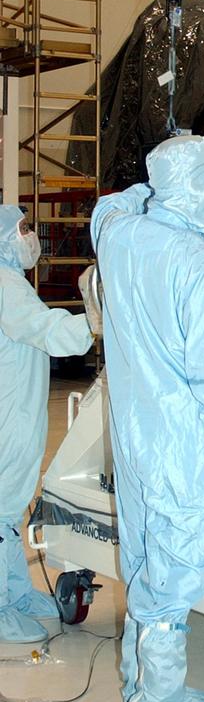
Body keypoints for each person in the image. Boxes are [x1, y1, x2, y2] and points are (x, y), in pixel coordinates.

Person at [91, 135, 204, 702]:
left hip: (134, 437)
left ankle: (140, 683)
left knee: (143, 557)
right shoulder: (201, 267)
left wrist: (155, 187)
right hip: (182, 442)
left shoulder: (121, 238)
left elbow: (109, 206)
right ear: (201, 183)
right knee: (180, 561)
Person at [0, 205, 93, 644]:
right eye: (22, 229)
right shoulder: (3, 285)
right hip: (7, 416)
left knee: (10, 510)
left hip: (18, 410)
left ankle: (15, 594)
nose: (30, 235)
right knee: (1, 510)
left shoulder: (11, 281)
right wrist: (94, 323)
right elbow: (44, 329)